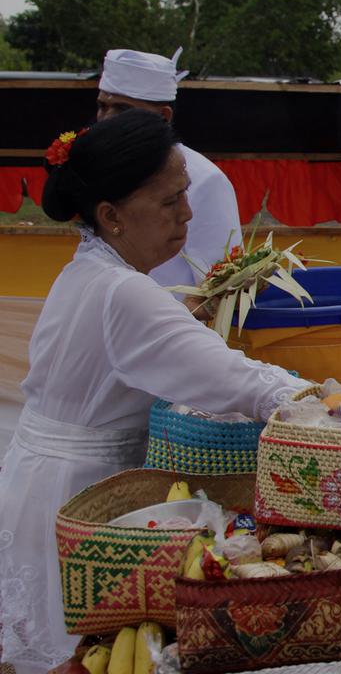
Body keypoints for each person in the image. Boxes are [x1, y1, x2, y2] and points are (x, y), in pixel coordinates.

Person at [0, 110, 307, 674]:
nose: (188, 214)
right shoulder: (123, 291)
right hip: (75, 498)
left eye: (185, 195)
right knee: (74, 657)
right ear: (111, 215)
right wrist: (332, 401)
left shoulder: (90, 270)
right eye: (169, 202)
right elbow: (237, 381)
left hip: (41, 479)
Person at [96, 48, 243, 289]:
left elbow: (224, 284)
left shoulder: (204, 179)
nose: (107, 119)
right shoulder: (101, 168)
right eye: (102, 106)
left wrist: (168, 322)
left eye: (122, 110)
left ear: (163, 117)